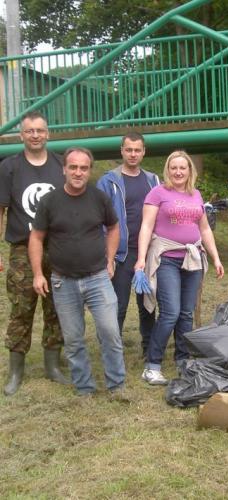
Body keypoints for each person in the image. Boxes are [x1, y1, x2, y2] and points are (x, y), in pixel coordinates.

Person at [28, 147, 127, 399]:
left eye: (83, 168)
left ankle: (116, 386)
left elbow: (114, 227)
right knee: (73, 340)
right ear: (64, 169)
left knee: (110, 333)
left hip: (98, 278)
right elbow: (37, 238)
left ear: (89, 170)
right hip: (63, 282)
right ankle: (85, 388)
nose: (78, 172)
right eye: (73, 167)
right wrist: (38, 273)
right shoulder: (49, 202)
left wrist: (111, 258)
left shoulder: (99, 198)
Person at [135, 150, 224, 385]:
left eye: (182, 168)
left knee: (186, 313)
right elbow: (146, 226)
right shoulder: (157, 193)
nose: (178, 172)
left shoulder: (196, 195)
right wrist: (141, 258)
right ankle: (152, 365)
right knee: (171, 312)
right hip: (166, 259)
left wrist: (216, 258)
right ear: (167, 170)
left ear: (189, 171)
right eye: (173, 167)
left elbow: (204, 229)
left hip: (192, 258)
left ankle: (182, 360)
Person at [0, 111, 68, 396]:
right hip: (21, 250)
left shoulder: (61, 164)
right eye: (30, 131)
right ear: (21, 135)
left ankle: (53, 365)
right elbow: (1, 209)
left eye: (40, 130)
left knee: (57, 308)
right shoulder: (9, 167)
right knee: (21, 309)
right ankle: (16, 371)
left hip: (59, 248)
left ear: (48, 133)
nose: (36, 135)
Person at [97, 131, 159, 356]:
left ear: (144, 152)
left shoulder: (153, 180)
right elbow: (99, 219)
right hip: (120, 253)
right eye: (128, 149)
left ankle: (148, 348)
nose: (133, 154)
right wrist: (108, 256)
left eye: (137, 150)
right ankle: (112, 350)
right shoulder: (108, 180)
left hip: (147, 252)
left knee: (147, 304)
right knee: (117, 305)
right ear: (122, 151)